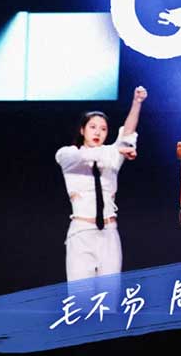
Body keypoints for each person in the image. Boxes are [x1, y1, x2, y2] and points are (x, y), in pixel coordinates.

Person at [55, 86, 147, 281]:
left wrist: (136, 103)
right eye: (93, 127)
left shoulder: (112, 156)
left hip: (109, 233)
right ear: (82, 130)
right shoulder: (68, 155)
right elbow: (88, 155)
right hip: (81, 232)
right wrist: (117, 150)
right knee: (81, 294)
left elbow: (127, 134)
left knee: (110, 293)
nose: (98, 132)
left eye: (103, 129)